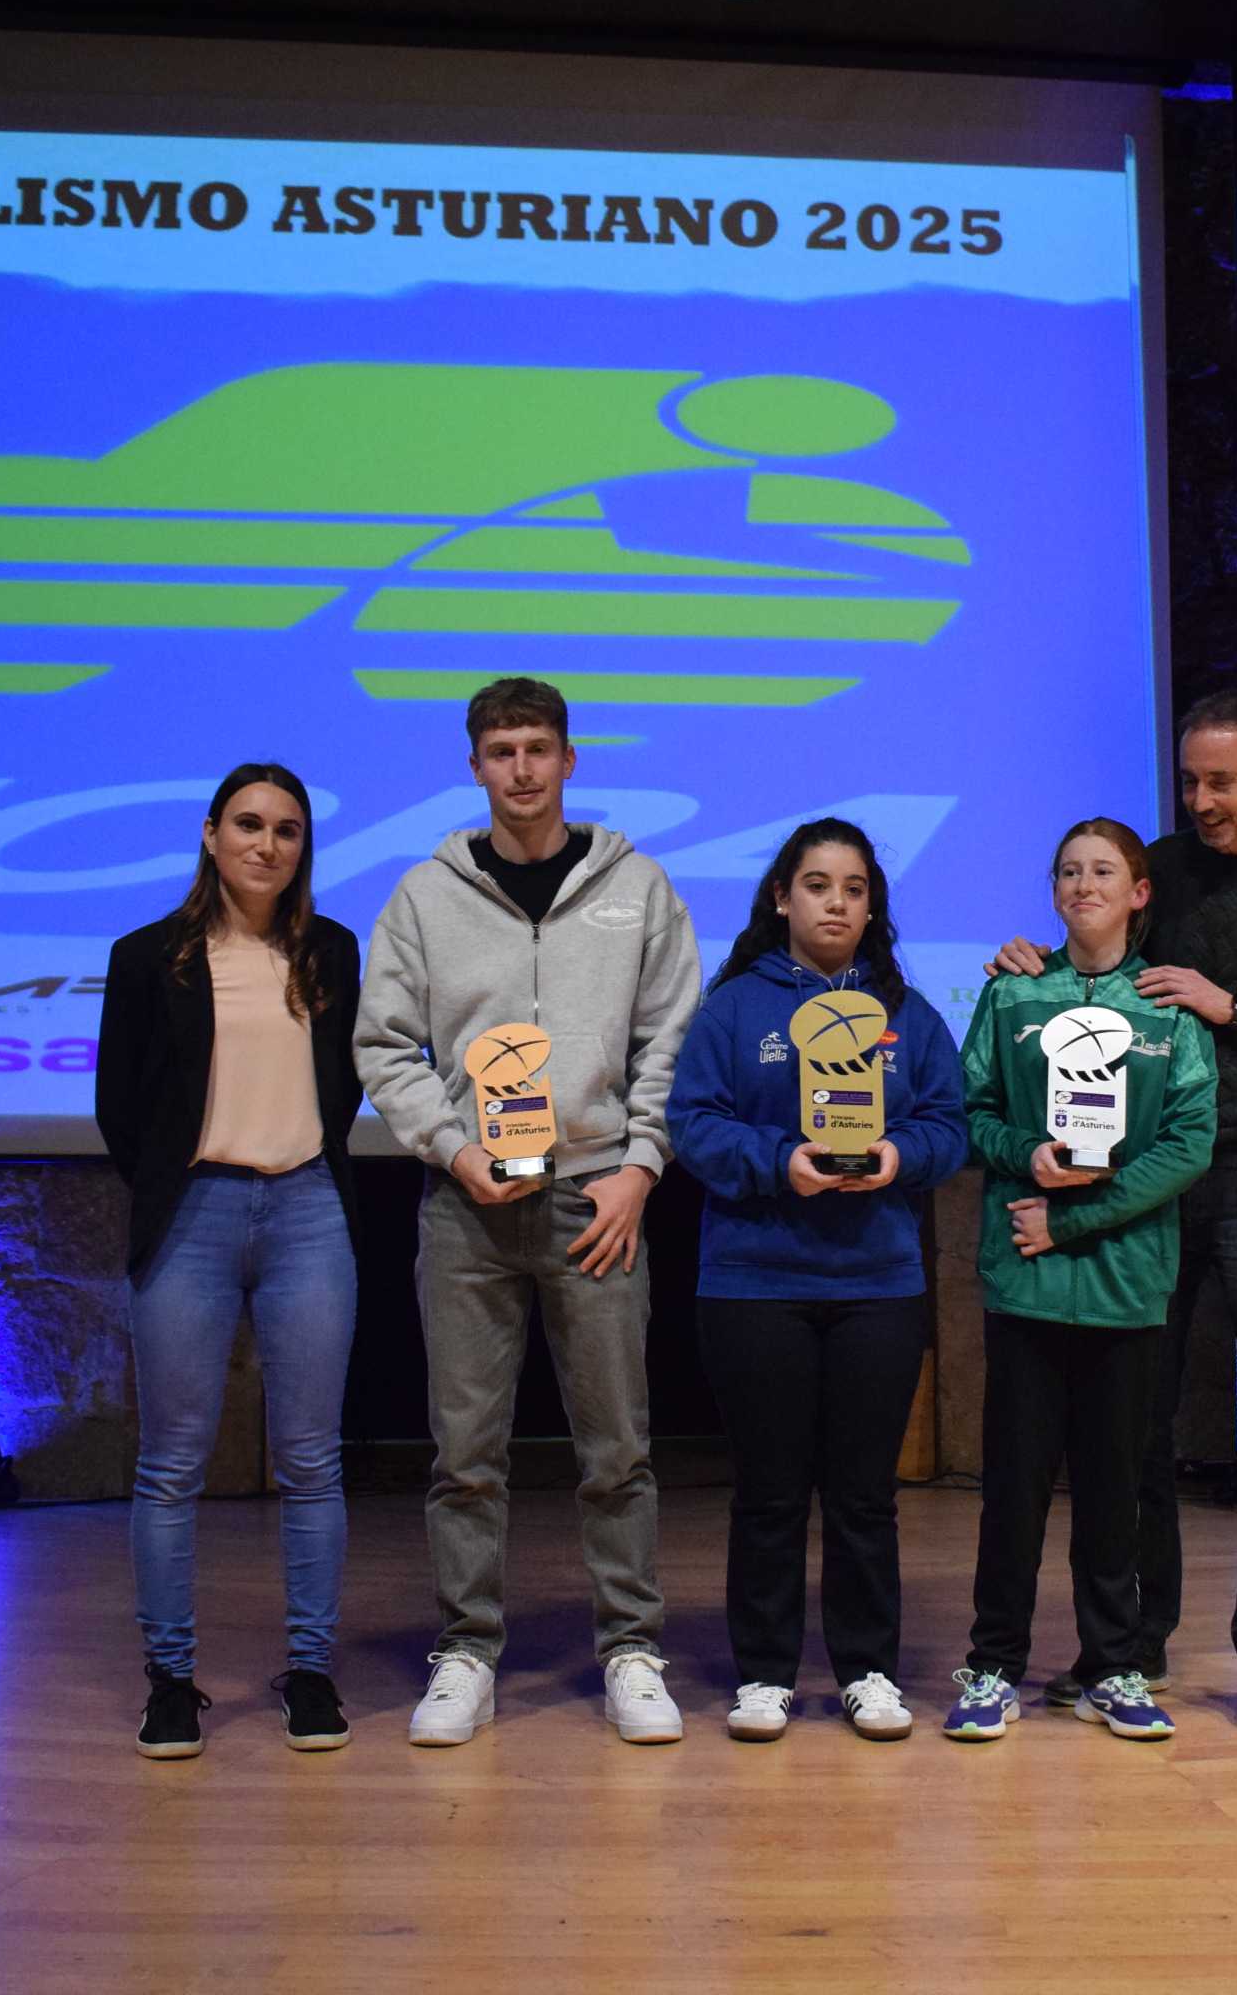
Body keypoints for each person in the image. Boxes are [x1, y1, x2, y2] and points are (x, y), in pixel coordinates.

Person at [988, 692, 1237, 1728]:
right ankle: (1134, 1646)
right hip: (1151, 1186)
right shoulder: (1160, 867)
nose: (1200, 800)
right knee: (1135, 1434)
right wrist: (1027, 962)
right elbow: (1098, 956)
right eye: (1188, 781)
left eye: (1219, 780)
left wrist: (1234, 1009)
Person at [354, 677, 704, 1746]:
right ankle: (465, 1650)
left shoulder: (636, 885)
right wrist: (454, 1148)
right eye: (500, 750)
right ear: (474, 766)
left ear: (568, 760)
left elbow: (670, 1038)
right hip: (467, 1206)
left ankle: (630, 1649)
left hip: (596, 1195)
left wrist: (640, 1165)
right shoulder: (425, 893)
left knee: (616, 1448)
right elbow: (382, 1045)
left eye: (538, 748)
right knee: (465, 1449)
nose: (520, 768)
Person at [668, 819, 968, 1744]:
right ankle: (763, 1673)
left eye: (852, 888)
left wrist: (895, 1153)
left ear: (871, 906)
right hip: (754, 1282)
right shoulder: (731, 1010)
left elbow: (948, 1125)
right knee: (767, 1490)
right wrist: (778, 1160)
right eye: (816, 885)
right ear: (780, 899)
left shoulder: (907, 1015)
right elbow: (693, 1123)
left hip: (877, 1281)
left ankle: (867, 1668)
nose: (834, 902)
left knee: (864, 1493)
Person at [95, 763, 365, 1759]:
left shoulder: (331, 951)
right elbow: (119, 1108)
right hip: (193, 1214)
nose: (266, 843)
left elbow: (342, 1089)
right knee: (170, 1464)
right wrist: (187, 1182)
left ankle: (310, 1672)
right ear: (210, 835)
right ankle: (170, 1681)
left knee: (310, 1460)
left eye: (287, 829)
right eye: (247, 824)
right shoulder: (147, 956)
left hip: (307, 1212)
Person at [944, 818, 1216, 1745]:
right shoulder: (1015, 995)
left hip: (1126, 1286)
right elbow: (971, 1112)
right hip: (1025, 1286)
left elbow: (1189, 1144)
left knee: (1114, 1490)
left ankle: (1112, 1665)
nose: (1083, 883)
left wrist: (1076, 1217)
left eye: (1104, 870)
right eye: (1068, 870)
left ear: (1140, 892)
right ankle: (992, 1666)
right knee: (1012, 1489)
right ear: (1053, 890)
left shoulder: (1170, 1010)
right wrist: (1030, 1154)